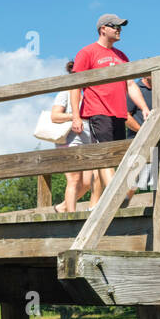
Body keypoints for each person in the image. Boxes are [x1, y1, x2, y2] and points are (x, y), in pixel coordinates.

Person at [70, 15, 150, 202]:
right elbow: (74, 85)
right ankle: (117, 197)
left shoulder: (122, 56)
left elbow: (130, 84)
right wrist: (75, 116)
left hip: (119, 114)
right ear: (102, 29)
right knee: (105, 155)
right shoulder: (87, 52)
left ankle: (119, 195)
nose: (119, 30)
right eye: (115, 26)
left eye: (120, 27)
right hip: (97, 110)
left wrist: (144, 107)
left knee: (118, 158)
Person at [51, 59, 95, 212]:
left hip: (88, 141)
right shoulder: (65, 92)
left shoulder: (89, 92)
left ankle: (62, 207)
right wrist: (75, 116)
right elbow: (54, 116)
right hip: (69, 140)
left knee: (89, 182)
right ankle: (71, 215)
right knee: (74, 179)